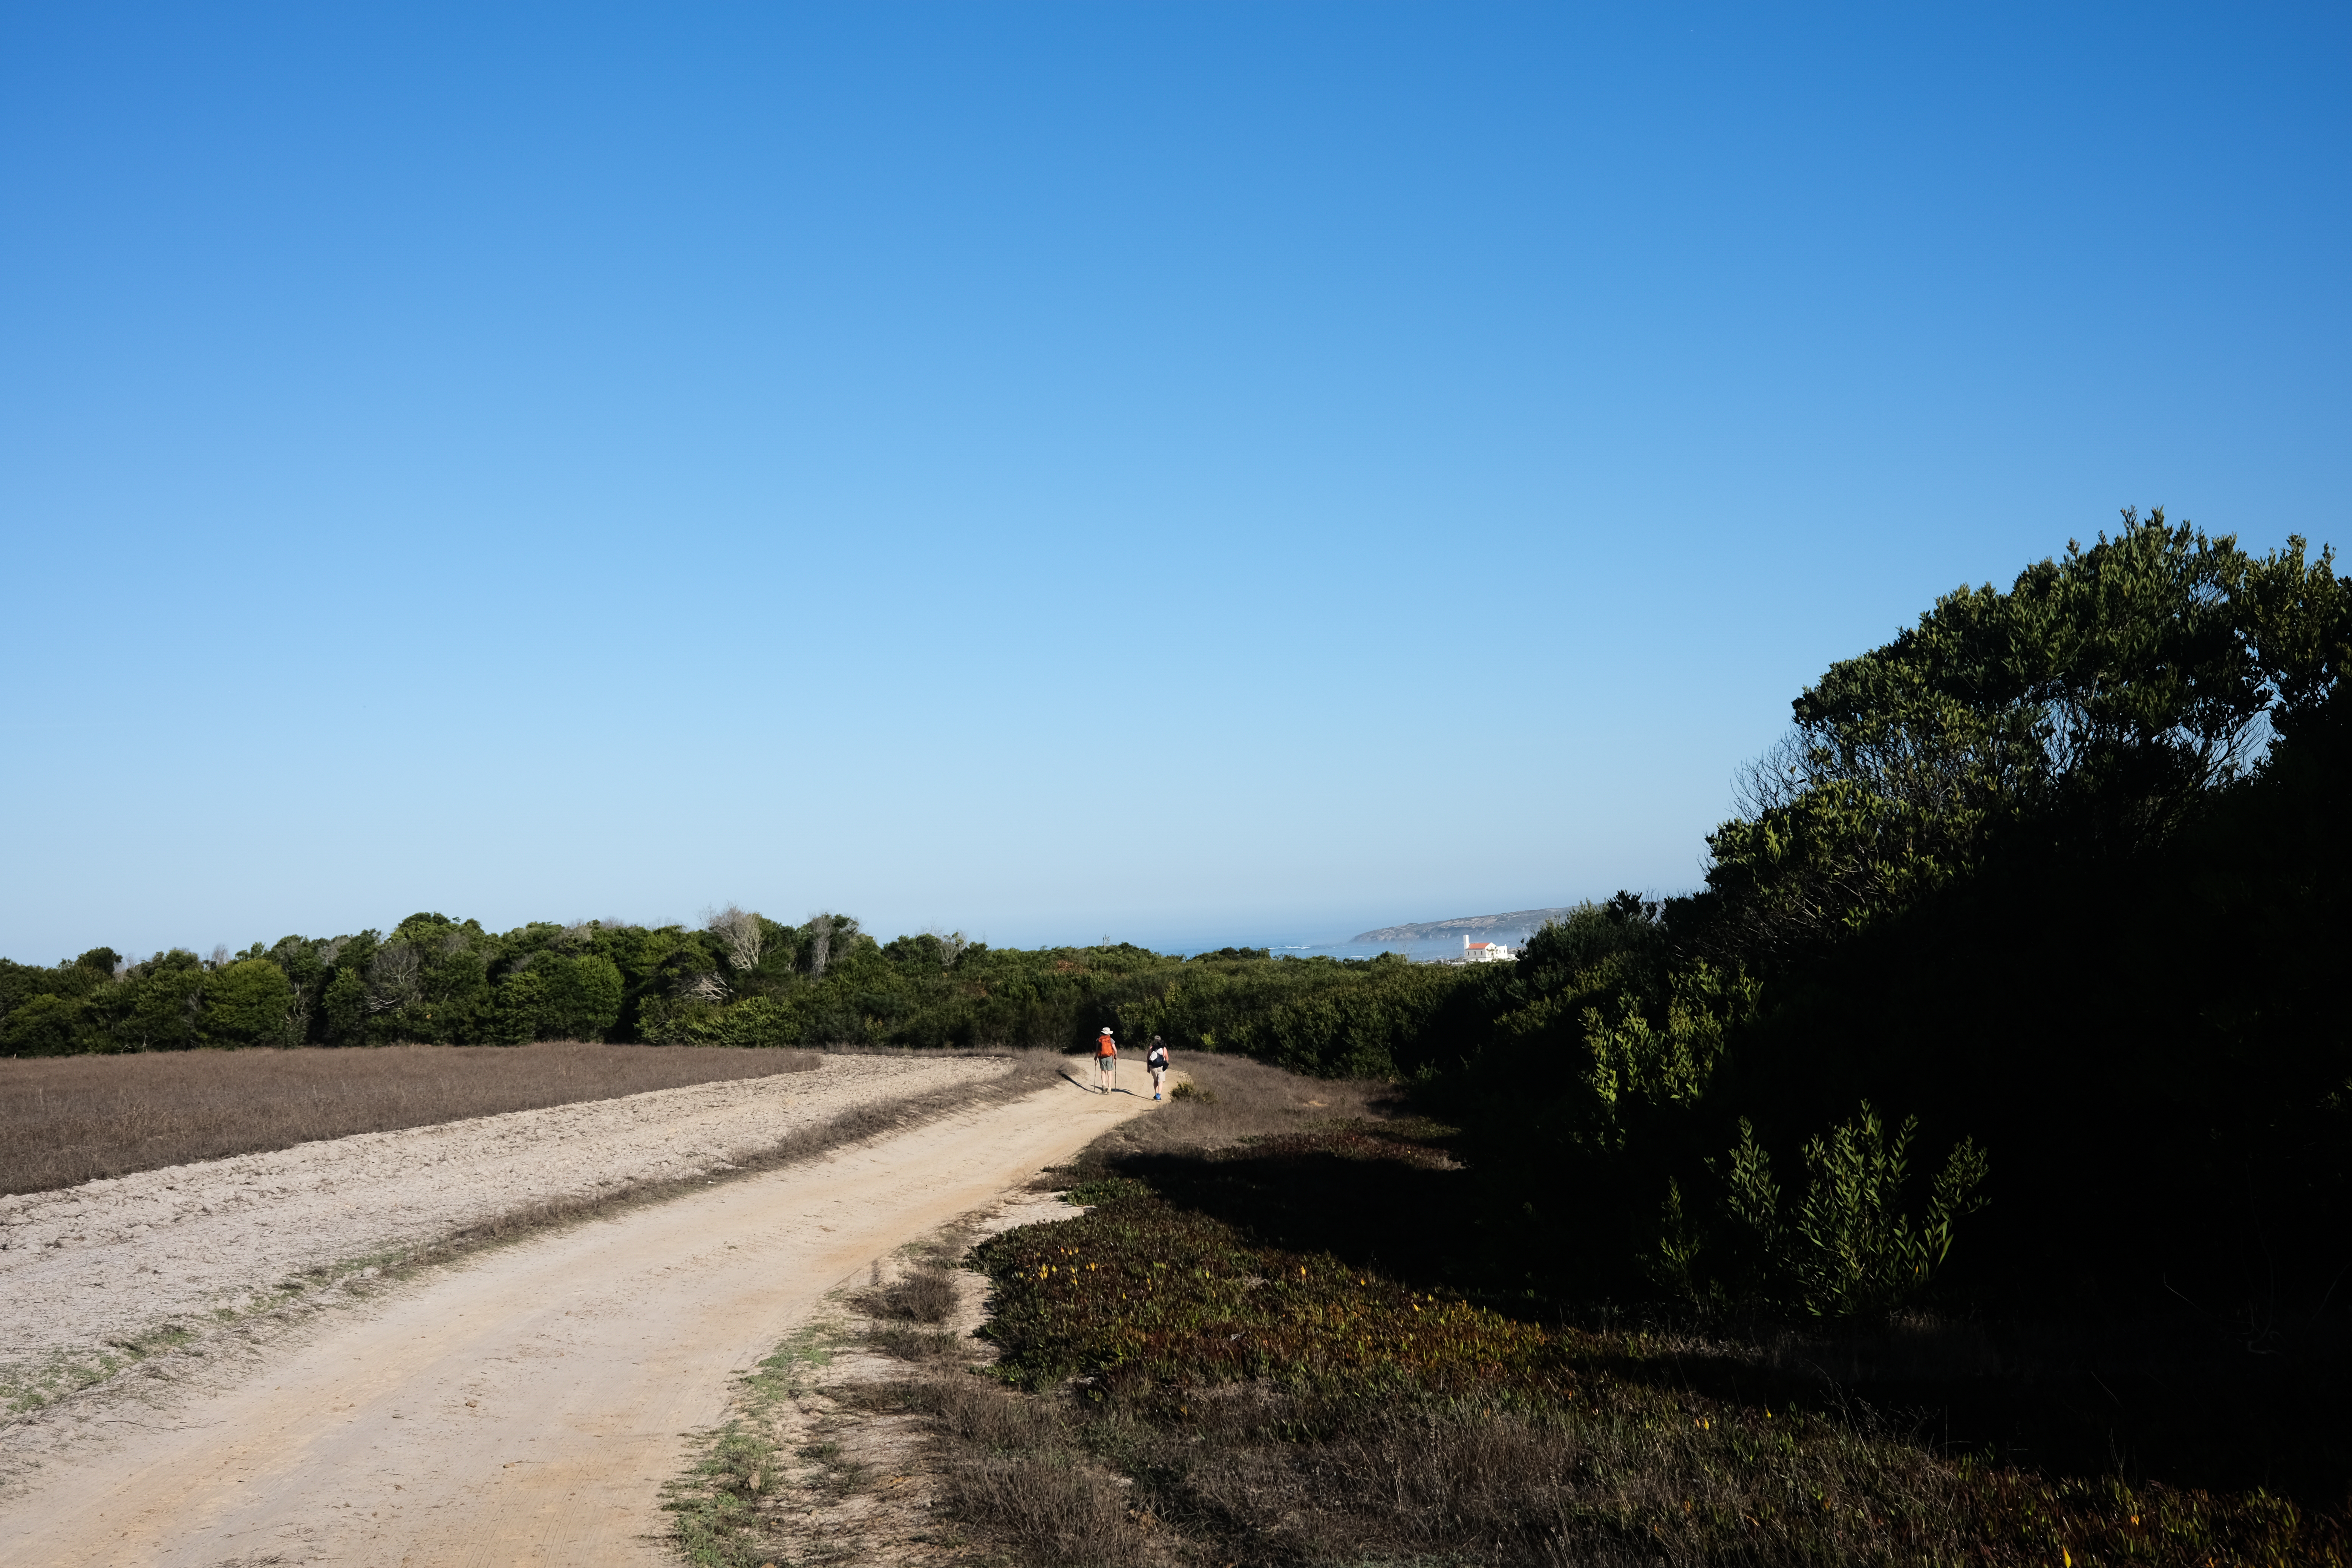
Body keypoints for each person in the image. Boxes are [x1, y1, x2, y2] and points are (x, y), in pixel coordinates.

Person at [1145, 1035, 1170, 1100]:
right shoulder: (1163, 1048)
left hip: (1153, 1067)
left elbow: (1148, 1059)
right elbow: (1167, 1058)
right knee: (1160, 1081)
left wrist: (1148, 1068)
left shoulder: (1151, 1048)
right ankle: (1159, 1096)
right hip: (1161, 1066)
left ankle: (1156, 1094)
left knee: (1156, 1080)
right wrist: (1166, 1064)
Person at [1094, 1027, 1118, 1093]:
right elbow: (1115, 1050)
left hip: (1102, 1057)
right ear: (1109, 1033)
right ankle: (1109, 1088)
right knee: (1110, 1073)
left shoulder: (1099, 1039)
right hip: (1110, 1057)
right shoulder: (1111, 1040)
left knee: (1103, 1072)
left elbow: (1097, 1050)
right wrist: (1116, 1056)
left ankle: (1104, 1085)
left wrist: (1096, 1057)